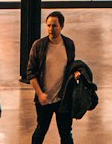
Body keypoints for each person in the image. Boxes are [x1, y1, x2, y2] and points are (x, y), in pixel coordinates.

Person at [25, 11, 77, 144]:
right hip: (44, 99)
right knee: (41, 130)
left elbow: (70, 67)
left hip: (63, 99)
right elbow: (31, 72)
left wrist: (75, 73)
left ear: (62, 26)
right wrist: (40, 94)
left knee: (66, 133)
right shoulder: (39, 46)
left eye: (54, 26)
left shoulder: (69, 44)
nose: (50, 29)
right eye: (48, 25)